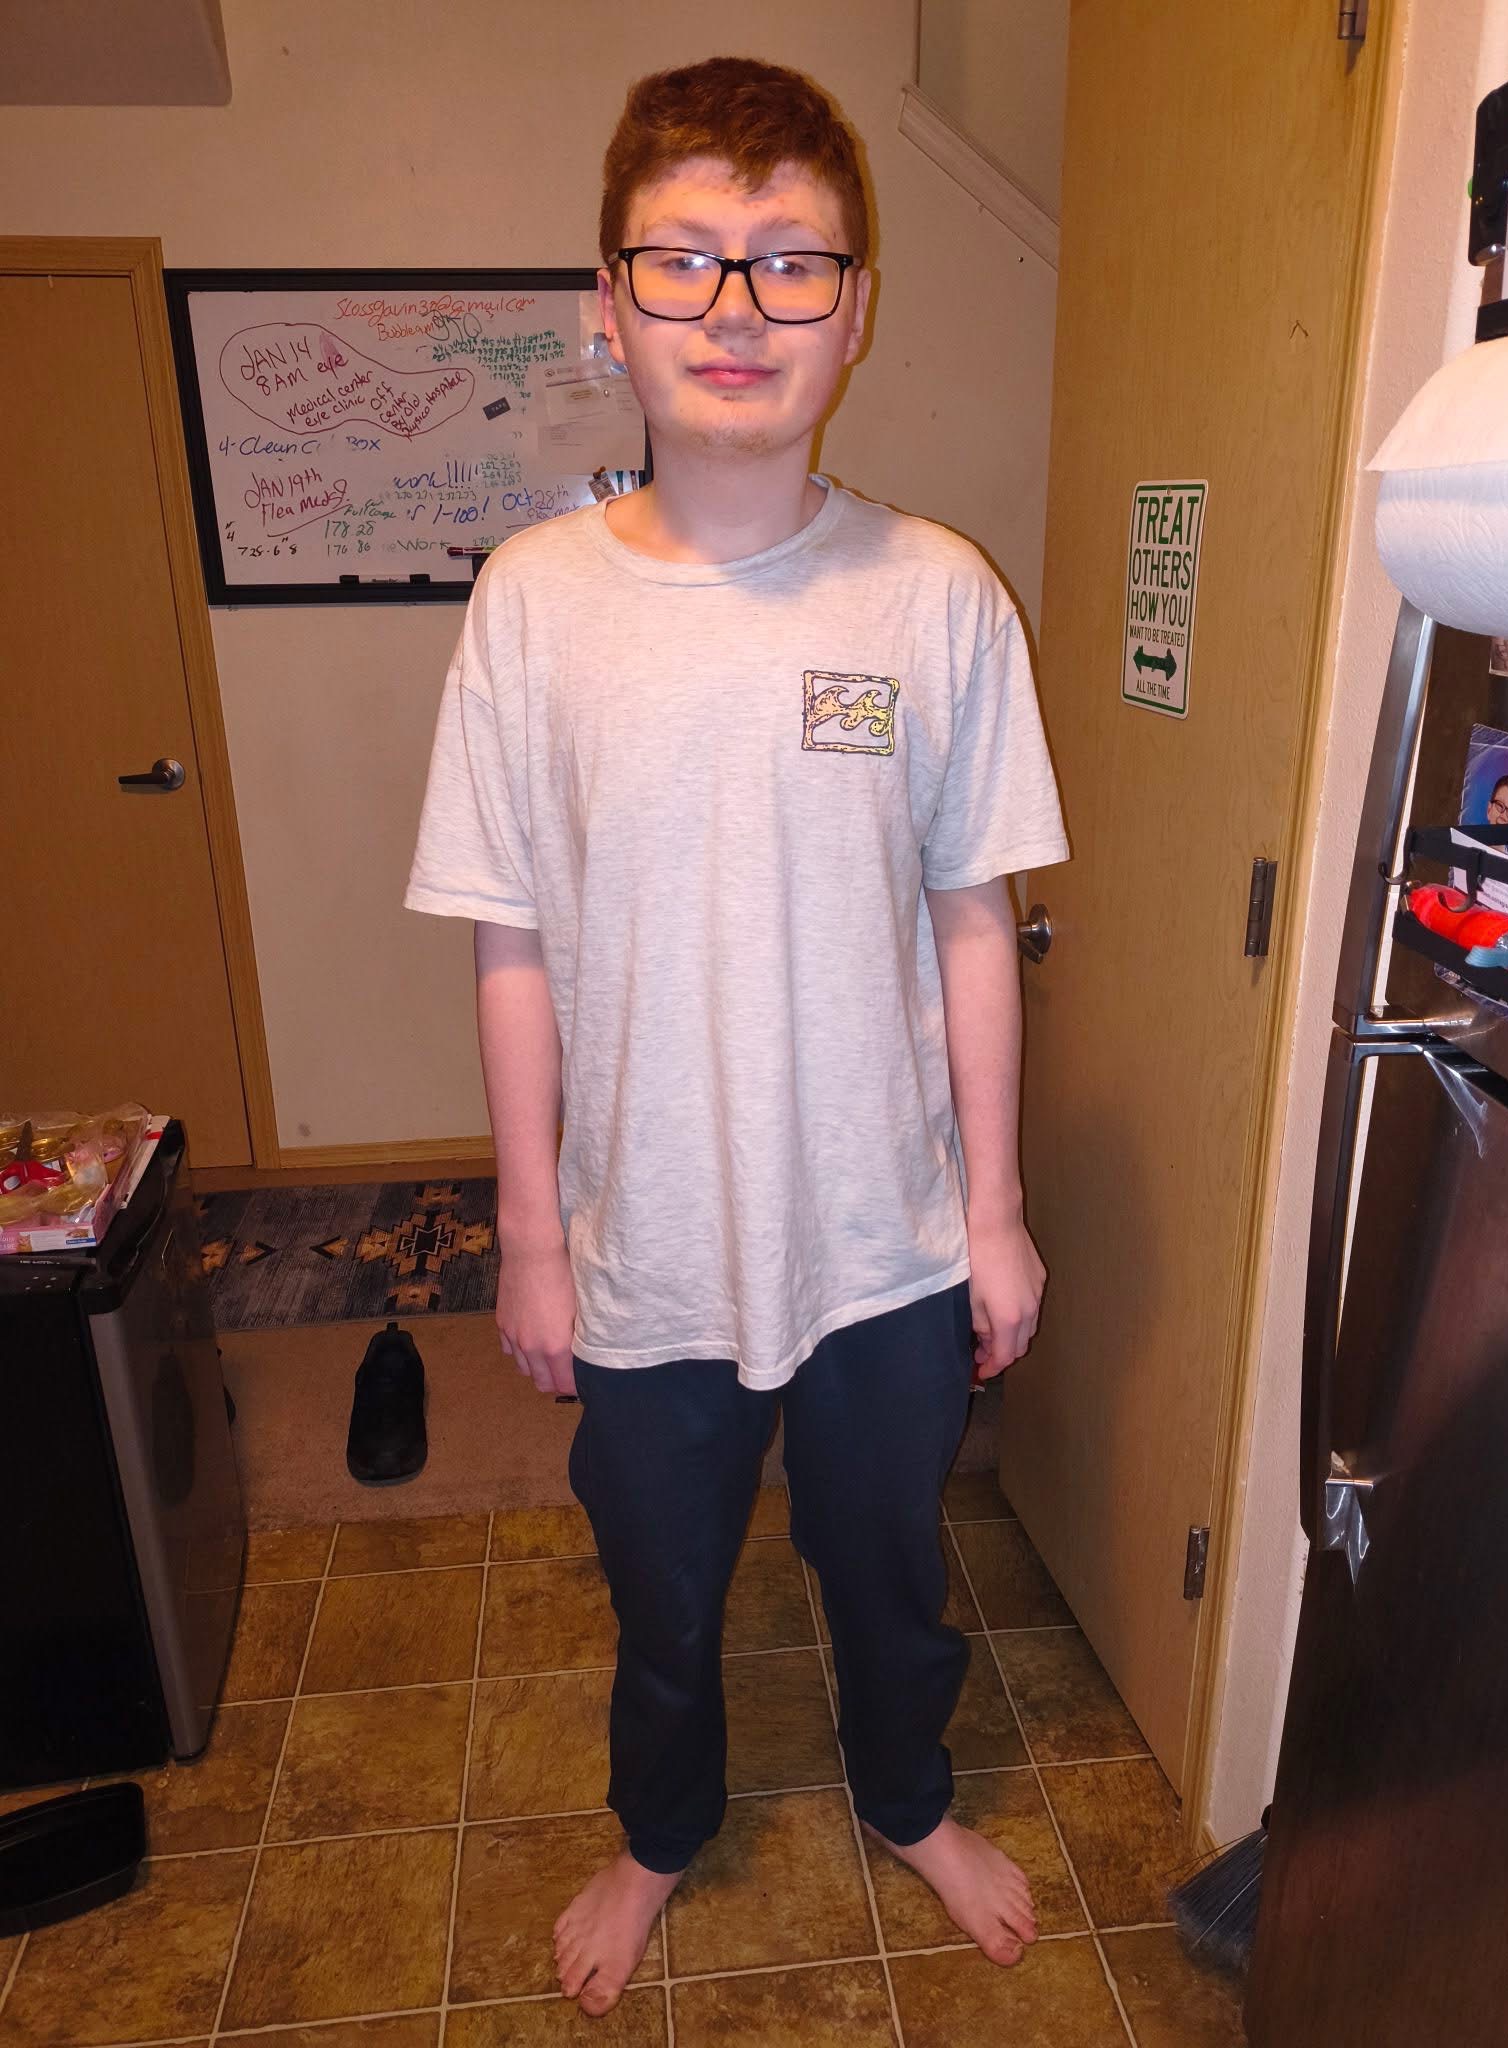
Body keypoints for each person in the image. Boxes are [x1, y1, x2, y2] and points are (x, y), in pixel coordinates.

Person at [405, 54, 1070, 2019]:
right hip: (647, 1256)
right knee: (666, 1595)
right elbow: (512, 942)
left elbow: (973, 917)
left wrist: (996, 1213)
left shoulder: (938, 598)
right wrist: (532, 1237)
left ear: (855, 314)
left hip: (886, 1239)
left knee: (890, 1570)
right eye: (684, 258)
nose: (737, 308)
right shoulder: (533, 606)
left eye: (791, 262)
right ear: (608, 307)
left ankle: (909, 1796)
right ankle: (661, 1829)